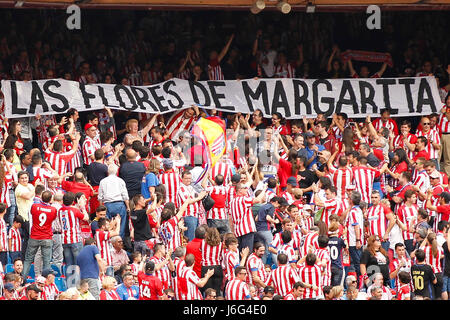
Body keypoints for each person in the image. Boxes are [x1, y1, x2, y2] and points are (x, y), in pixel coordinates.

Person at [22, 190, 57, 279]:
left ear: (41, 197)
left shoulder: (34, 206)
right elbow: (52, 219)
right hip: (46, 237)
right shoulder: (53, 210)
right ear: (50, 200)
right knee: (46, 262)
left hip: (34, 236)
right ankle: (46, 284)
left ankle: (22, 280)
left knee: (28, 260)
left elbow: (32, 213)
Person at [58, 191, 89, 269]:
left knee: (69, 265)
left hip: (65, 240)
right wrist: (82, 207)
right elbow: (86, 218)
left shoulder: (60, 211)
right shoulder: (74, 210)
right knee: (79, 264)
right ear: (73, 201)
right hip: (75, 240)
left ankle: (69, 281)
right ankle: (78, 281)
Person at [97, 164, 130, 239]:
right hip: (119, 204)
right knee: (121, 226)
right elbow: (125, 195)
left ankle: (110, 242)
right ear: (116, 171)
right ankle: (119, 241)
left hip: (107, 205)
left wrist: (101, 207)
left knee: (108, 225)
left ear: (108, 171)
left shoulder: (103, 181)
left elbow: (100, 197)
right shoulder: (120, 180)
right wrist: (128, 207)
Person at [14, 170, 35, 260]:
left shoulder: (30, 186)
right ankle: (25, 258)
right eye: (22, 178)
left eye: (26, 178)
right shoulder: (19, 188)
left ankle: (27, 258)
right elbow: (28, 196)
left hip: (33, 215)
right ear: (18, 179)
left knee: (28, 238)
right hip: (25, 216)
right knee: (29, 238)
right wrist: (36, 187)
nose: (24, 180)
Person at [200, 226, 223, 295]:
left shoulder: (202, 242)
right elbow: (221, 256)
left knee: (208, 292)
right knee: (217, 291)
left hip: (206, 267)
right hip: (217, 267)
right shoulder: (220, 244)